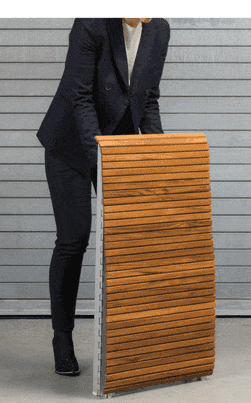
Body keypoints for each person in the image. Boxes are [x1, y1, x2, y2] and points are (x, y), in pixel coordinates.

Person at [36, 18, 171, 376]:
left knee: (129, 239)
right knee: (74, 238)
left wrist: (159, 157)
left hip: (118, 143)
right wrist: (103, 158)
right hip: (71, 143)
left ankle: (130, 338)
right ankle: (62, 338)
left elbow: (148, 99)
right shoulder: (91, 24)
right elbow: (79, 97)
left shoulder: (159, 30)